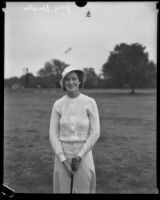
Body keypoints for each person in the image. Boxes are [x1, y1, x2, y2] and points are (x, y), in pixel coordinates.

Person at [49, 65, 100, 193]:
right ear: (63, 83)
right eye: (67, 79)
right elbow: (53, 134)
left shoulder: (90, 102)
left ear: (79, 81)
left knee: (84, 189)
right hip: (62, 154)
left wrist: (79, 156)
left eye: (74, 79)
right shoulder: (58, 104)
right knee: (63, 189)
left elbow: (95, 133)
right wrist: (63, 159)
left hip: (84, 153)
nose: (70, 82)